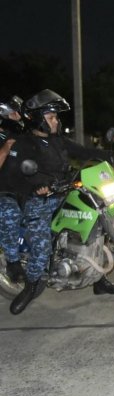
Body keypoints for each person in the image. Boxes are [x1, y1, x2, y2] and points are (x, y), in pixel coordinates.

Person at [9, 89, 114, 315]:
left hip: (64, 192)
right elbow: (16, 174)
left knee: (99, 222)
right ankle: (31, 286)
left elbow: (84, 151)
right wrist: (36, 185)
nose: (56, 121)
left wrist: (109, 156)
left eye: (55, 117)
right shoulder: (24, 144)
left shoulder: (58, 141)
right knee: (42, 245)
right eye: (51, 117)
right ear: (38, 119)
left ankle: (98, 280)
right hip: (38, 200)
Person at [0, 95, 30, 284]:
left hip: (23, 190)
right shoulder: (5, 139)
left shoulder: (23, 137)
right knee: (10, 212)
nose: (19, 117)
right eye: (14, 113)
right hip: (3, 193)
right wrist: (6, 147)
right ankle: (12, 262)